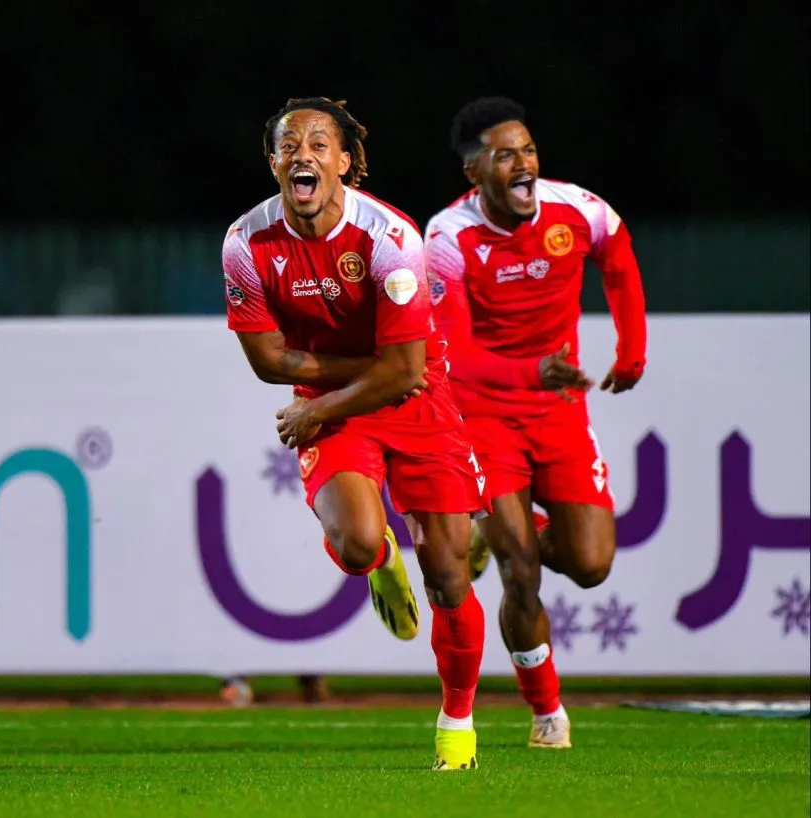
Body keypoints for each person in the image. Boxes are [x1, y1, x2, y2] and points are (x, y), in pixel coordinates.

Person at [222, 97, 490, 771]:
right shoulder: (245, 244)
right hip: (338, 403)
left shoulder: (391, 239)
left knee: (452, 575)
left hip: (417, 401)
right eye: (289, 144)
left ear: (344, 162)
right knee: (356, 542)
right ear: (273, 160)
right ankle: (380, 565)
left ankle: (456, 726)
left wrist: (321, 401)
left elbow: (408, 373)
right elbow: (266, 361)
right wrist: (342, 389)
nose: (302, 154)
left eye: (319, 143)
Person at [424, 96, 647, 749]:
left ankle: (505, 534)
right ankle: (547, 711)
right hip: (484, 416)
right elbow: (454, 357)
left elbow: (619, 257)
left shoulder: (575, 210)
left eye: (527, 150)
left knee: (591, 562)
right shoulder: (448, 239)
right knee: (522, 572)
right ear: (475, 174)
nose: (523, 164)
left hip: (559, 412)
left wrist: (631, 350)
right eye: (504, 155)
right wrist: (528, 374)